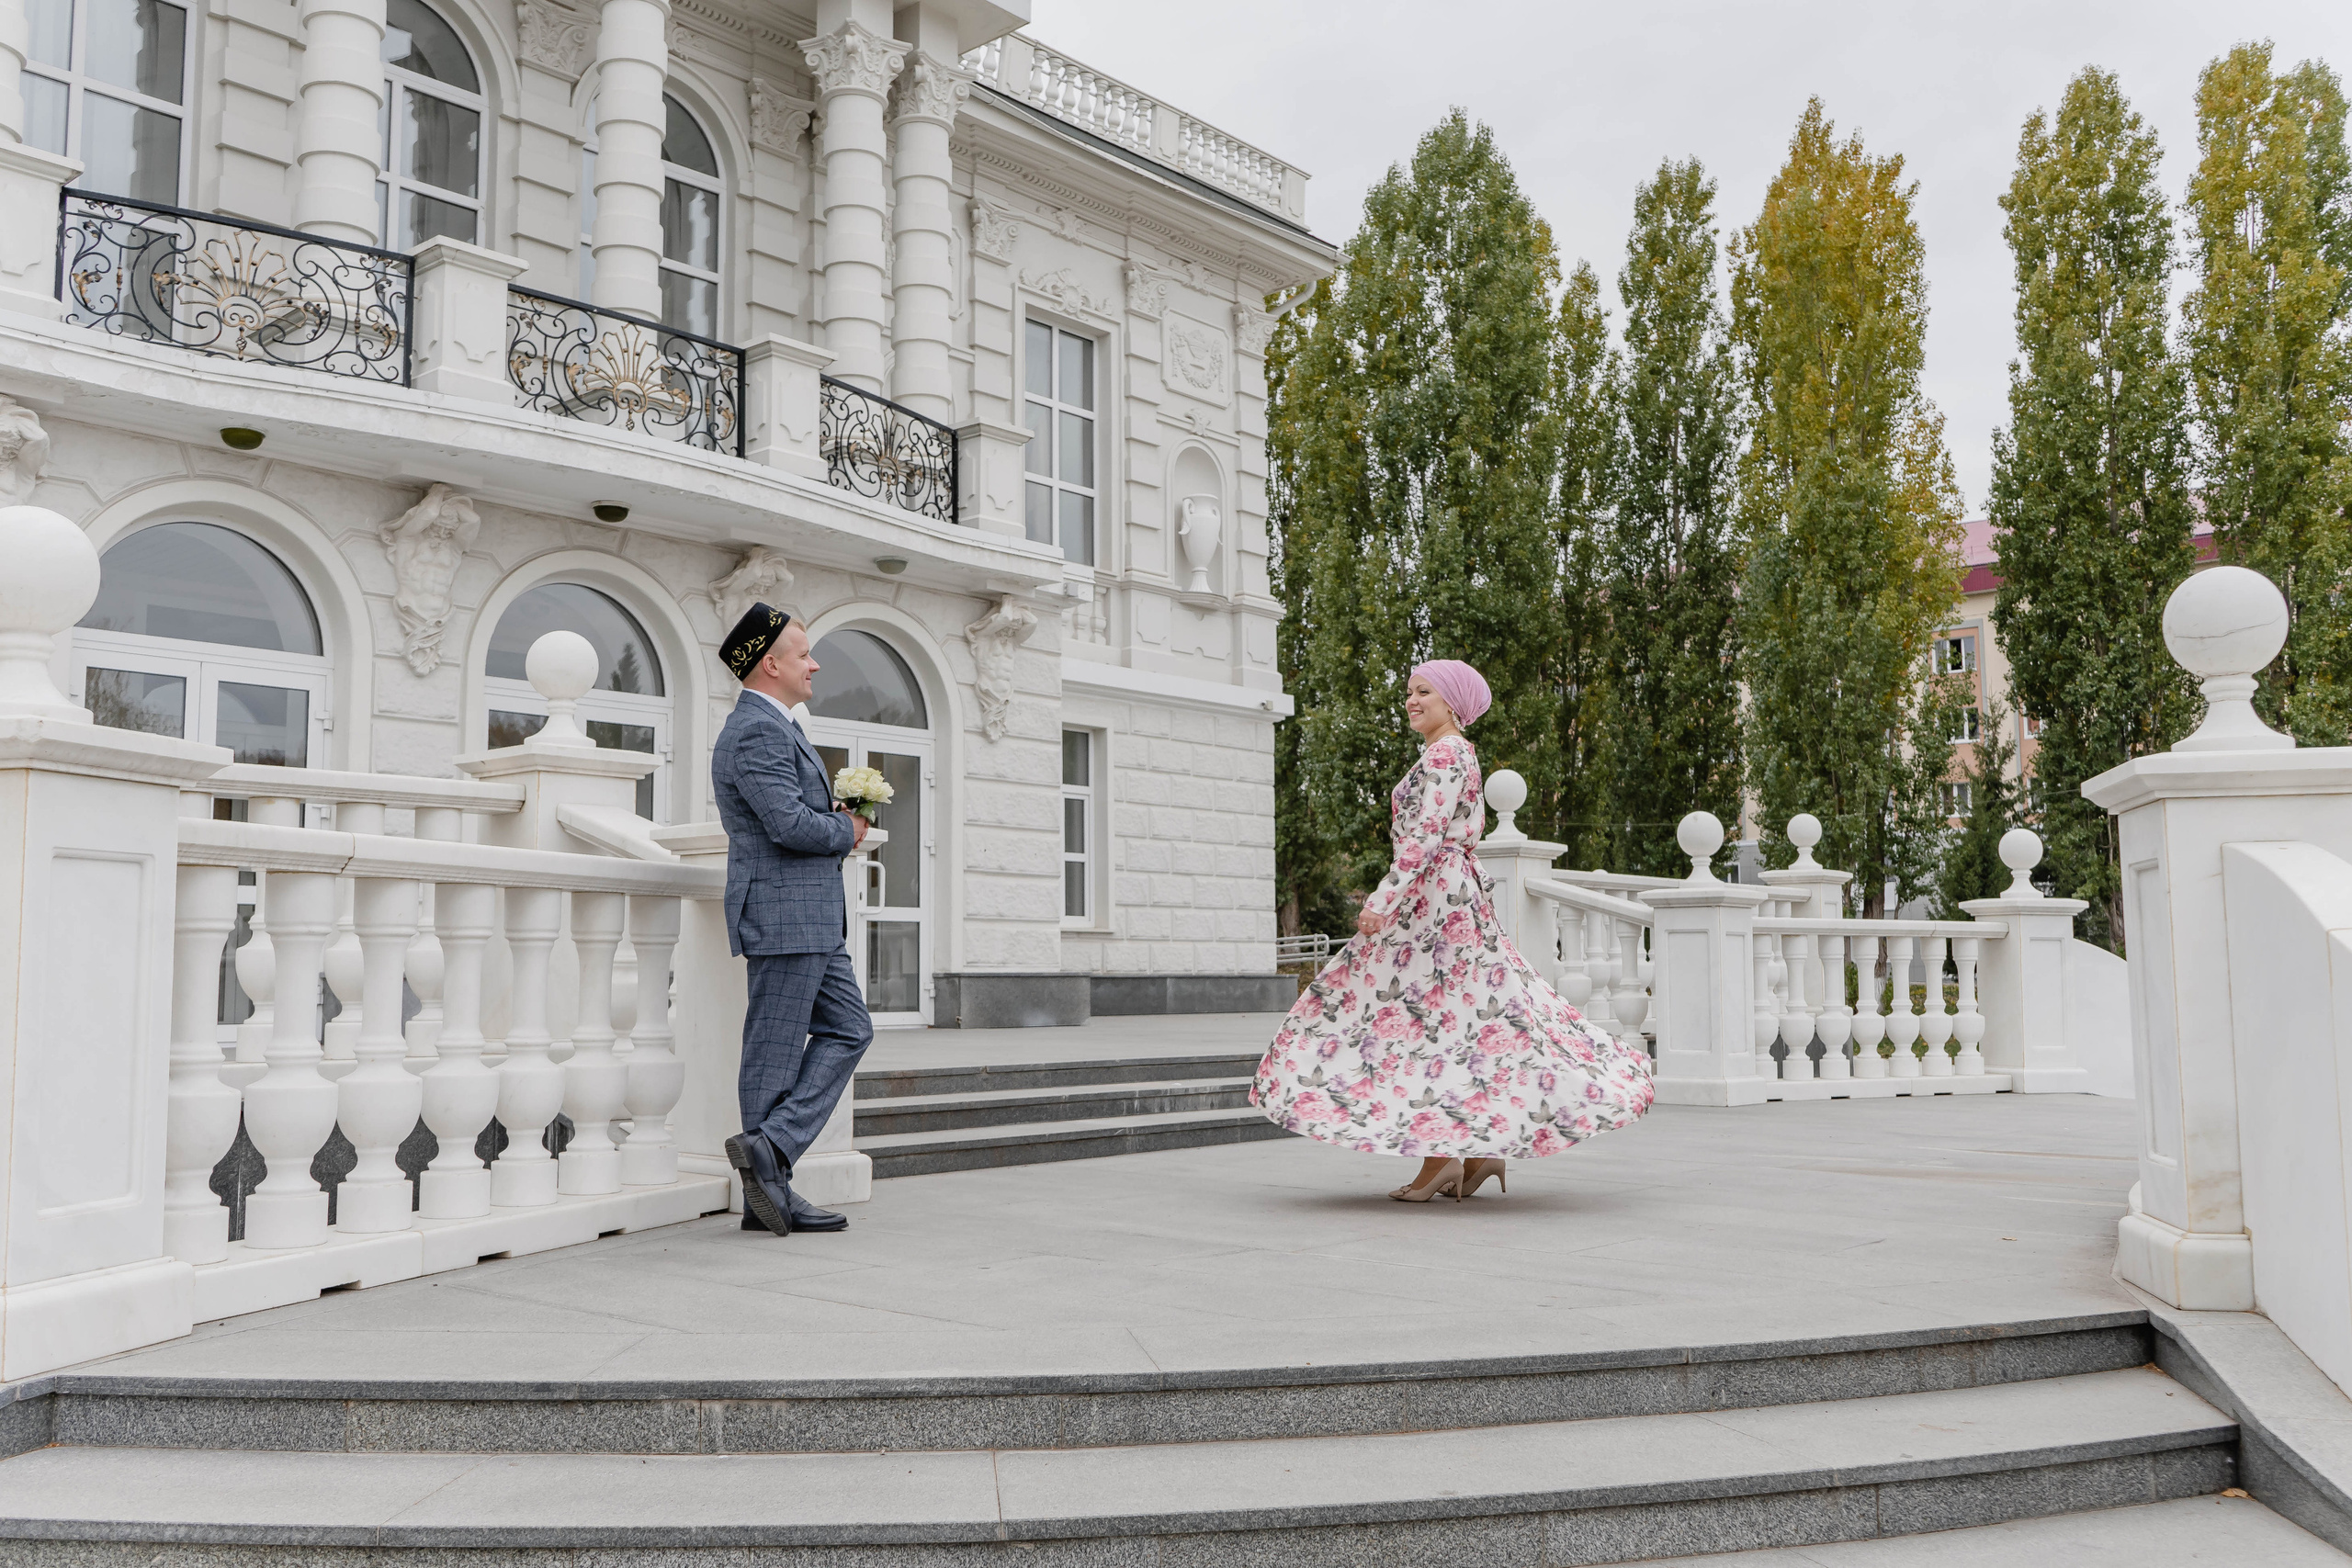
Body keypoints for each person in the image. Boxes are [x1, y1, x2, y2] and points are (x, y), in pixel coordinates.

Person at [1251, 659, 1655, 1201]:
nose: (1412, 700)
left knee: (1427, 1020)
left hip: (1434, 901)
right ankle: (1477, 1151)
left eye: (1424, 692)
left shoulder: (1445, 753)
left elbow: (1422, 836)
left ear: (1451, 703)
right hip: (1446, 897)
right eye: (1410, 691)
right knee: (1458, 1020)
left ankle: (1441, 1156)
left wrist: (1381, 899)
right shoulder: (1451, 753)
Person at [712, 602, 874, 1235]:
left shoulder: (779, 726)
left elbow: (787, 808)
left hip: (808, 918)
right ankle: (769, 1185)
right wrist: (846, 827)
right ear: (769, 663)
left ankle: (771, 1151)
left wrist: (831, 812)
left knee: (849, 1029)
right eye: (804, 653)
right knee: (773, 1057)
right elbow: (785, 824)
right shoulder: (756, 729)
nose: (815, 663)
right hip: (783, 915)